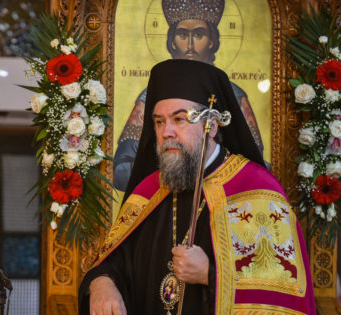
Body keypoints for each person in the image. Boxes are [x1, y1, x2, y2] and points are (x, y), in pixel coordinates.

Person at [78, 59, 319, 315]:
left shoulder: (257, 191)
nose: (167, 132)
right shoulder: (148, 191)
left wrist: (212, 274)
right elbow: (116, 260)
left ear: (212, 125)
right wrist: (101, 283)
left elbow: (284, 295)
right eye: (159, 121)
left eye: (180, 119)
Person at [113, 0, 264, 191]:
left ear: (211, 41)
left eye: (199, 35)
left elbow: (255, 162)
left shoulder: (234, 96)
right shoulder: (154, 95)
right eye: (183, 35)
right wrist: (173, 165)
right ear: (172, 42)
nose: (190, 45)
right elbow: (121, 171)